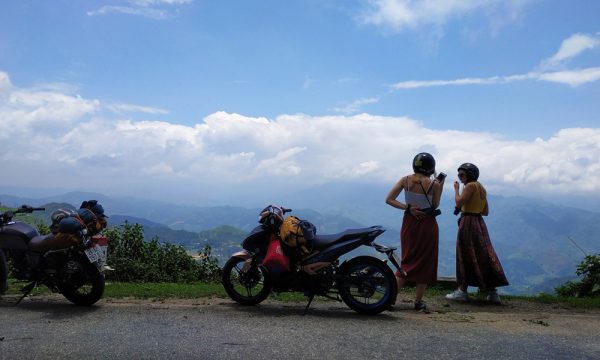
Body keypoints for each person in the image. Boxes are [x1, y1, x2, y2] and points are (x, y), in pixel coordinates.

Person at [386, 152, 444, 311]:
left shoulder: (405, 180)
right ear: (431, 167)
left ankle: (390, 298)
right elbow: (436, 205)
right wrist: (441, 183)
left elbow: (389, 199)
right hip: (427, 224)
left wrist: (409, 208)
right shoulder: (435, 184)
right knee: (426, 262)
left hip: (409, 223)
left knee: (407, 259)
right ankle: (418, 302)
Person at [446, 163, 509, 304]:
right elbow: (485, 211)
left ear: (470, 174)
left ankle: (462, 291)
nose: (460, 178)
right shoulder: (481, 188)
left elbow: (459, 203)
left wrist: (456, 190)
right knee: (484, 255)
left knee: (464, 254)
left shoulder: (470, 186)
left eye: (462, 175)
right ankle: (492, 293)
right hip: (479, 223)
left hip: (467, 222)